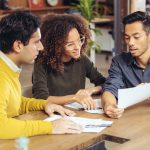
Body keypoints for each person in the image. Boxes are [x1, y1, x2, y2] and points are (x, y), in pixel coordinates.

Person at [0, 11, 82, 140]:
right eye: (36, 42)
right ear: (18, 45)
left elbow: (13, 104)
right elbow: (1, 127)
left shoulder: (8, 68)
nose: (41, 47)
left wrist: (44, 104)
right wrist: (49, 127)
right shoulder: (1, 77)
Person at [32, 13, 106, 110]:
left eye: (80, 40)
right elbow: (41, 98)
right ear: (56, 46)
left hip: (75, 112)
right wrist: (75, 98)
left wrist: (91, 90)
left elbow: (105, 83)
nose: (78, 47)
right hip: (52, 114)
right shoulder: (41, 63)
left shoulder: (81, 59)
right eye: (70, 44)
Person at [102, 11, 150, 119]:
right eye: (127, 37)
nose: (131, 43)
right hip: (131, 122)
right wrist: (109, 105)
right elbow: (110, 88)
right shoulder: (119, 61)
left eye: (136, 37)